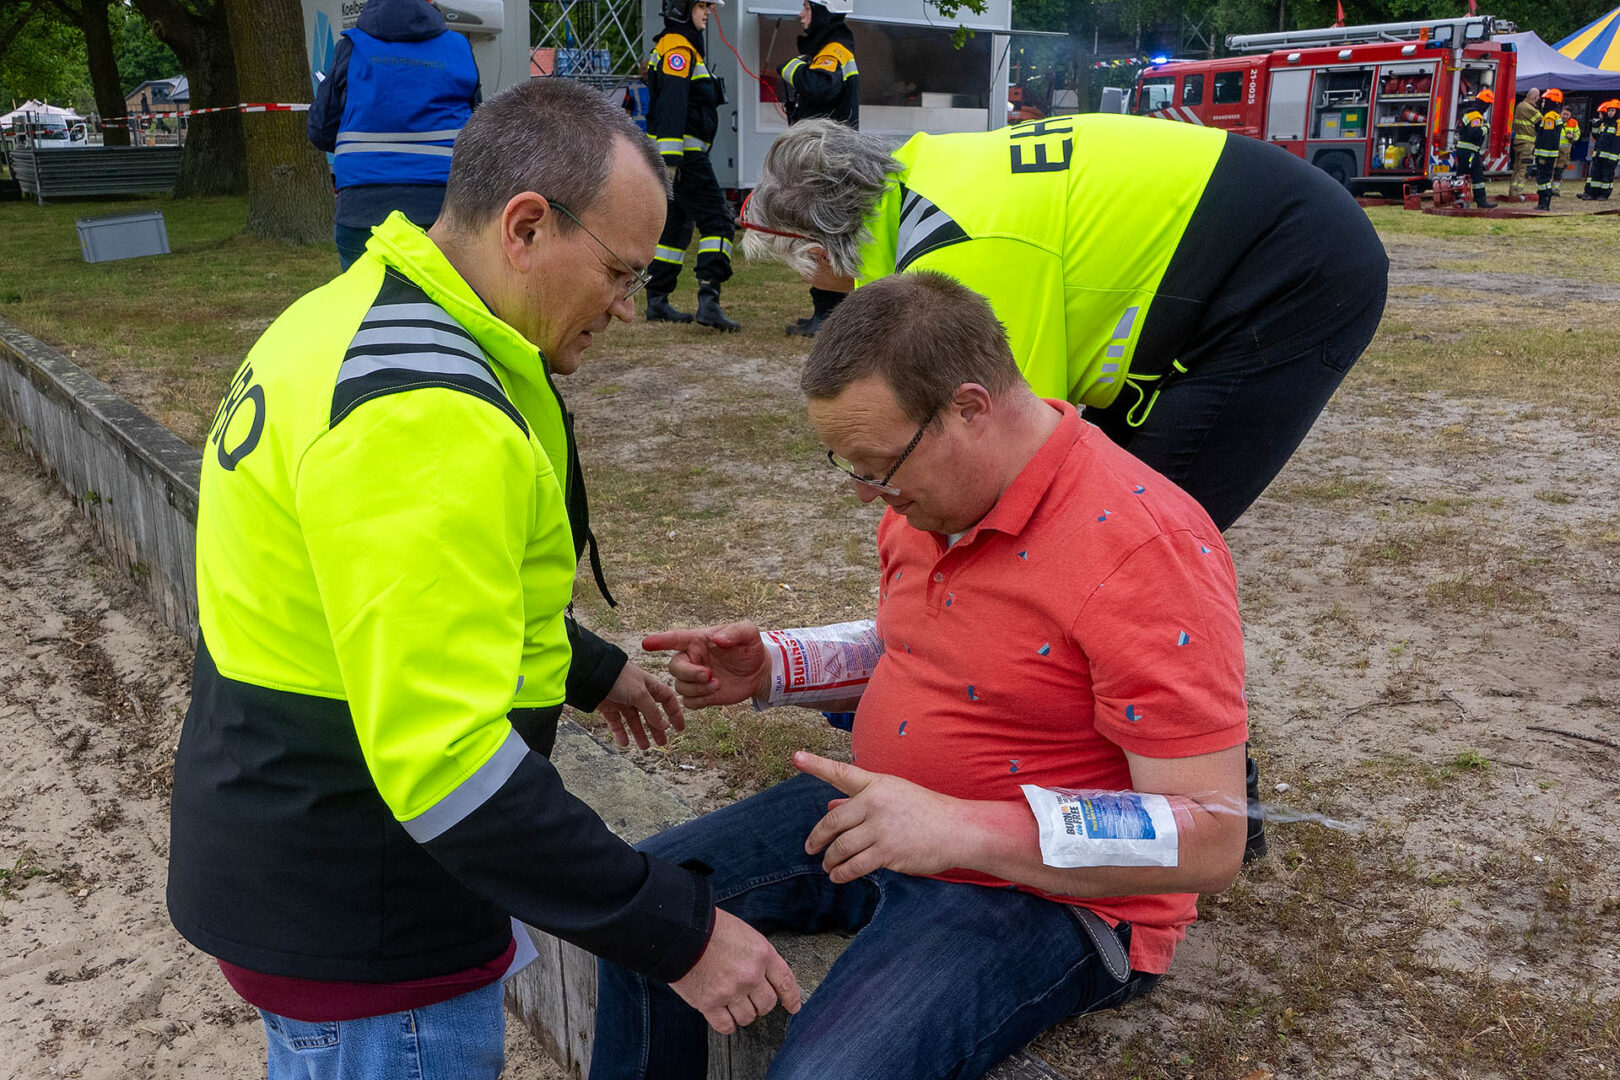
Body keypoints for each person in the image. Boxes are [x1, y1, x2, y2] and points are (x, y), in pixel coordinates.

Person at [167, 79, 801, 1080]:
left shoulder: (356, 315)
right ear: (527, 226)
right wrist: (677, 931)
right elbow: (445, 760)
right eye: (620, 273)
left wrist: (588, 669)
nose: (626, 308)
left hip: (289, 834)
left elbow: (402, 590)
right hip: (372, 908)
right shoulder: (425, 413)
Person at [588, 272, 1250, 1080]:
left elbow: (1211, 831)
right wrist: (776, 667)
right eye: (851, 468)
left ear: (969, 408)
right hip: (888, 815)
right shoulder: (933, 501)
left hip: (1045, 895)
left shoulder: (1144, 550)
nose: (868, 496)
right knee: (642, 913)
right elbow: (922, 649)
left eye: (880, 467)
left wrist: (961, 828)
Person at [306, 0, 482, 271]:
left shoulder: (352, 47)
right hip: (443, 209)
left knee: (364, 295)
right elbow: (478, 130)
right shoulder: (459, 48)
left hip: (363, 210)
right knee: (441, 296)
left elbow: (320, 130)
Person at [643, 0, 740, 330]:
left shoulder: (677, 45)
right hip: (685, 156)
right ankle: (709, 299)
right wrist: (671, 160)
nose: (707, 12)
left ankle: (657, 299)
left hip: (680, 156)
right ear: (682, 8)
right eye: (701, 5)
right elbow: (673, 103)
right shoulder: (678, 48)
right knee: (719, 223)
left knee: (675, 227)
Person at [777, 0, 859, 338]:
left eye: (807, 8)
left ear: (823, 11)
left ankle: (828, 315)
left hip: (830, 163)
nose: (801, 15)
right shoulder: (829, 49)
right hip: (826, 160)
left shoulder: (834, 51)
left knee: (825, 236)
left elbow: (821, 87)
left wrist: (792, 68)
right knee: (819, 234)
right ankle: (822, 311)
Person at [1453, 89, 1497, 209]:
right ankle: (1480, 202)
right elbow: (1474, 133)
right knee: (1476, 177)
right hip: (1470, 152)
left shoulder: (1470, 113)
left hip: (1466, 151)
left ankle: (1460, 200)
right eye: (1488, 104)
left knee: (1462, 176)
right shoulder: (1476, 116)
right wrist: (1486, 128)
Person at [1580, 99, 1619, 200]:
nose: (1610, 113)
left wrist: (1613, 157)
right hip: (1599, 154)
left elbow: (1617, 142)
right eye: (1609, 110)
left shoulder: (1617, 124)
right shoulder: (1605, 124)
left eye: (1612, 110)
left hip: (1610, 156)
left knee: (1607, 176)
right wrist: (1595, 126)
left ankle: (1604, 194)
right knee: (1596, 175)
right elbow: (1598, 138)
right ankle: (1593, 193)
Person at [1534, 89, 1566, 211]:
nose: (1542, 104)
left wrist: (1542, 155)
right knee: (1545, 179)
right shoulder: (1555, 116)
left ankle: (1543, 203)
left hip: (1545, 154)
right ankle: (1544, 203)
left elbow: (1547, 137)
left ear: (1551, 102)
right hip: (1550, 154)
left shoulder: (1549, 117)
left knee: (1543, 179)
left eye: (1545, 101)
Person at [1509, 86, 1541, 197]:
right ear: (1535, 97)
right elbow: (1541, 123)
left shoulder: (1520, 106)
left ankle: (1512, 192)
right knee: (1524, 169)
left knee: (1517, 169)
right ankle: (1517, 193)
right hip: (1527, 144)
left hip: (1518, 142)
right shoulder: (1530, 108)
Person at [1555, 109, 1581, 196]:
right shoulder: (1555, 121)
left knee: (1559, 170)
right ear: (1560, 114)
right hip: (1553, 149)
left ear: (1570, 115)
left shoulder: (1574, 123)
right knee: (1550, 169)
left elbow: (1577, 134)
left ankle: (1555, 190)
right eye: (1564, 114)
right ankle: (1548, 189)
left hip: (1565, 151)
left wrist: (1572, 137)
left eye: (1567, 114)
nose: (1565, 116)